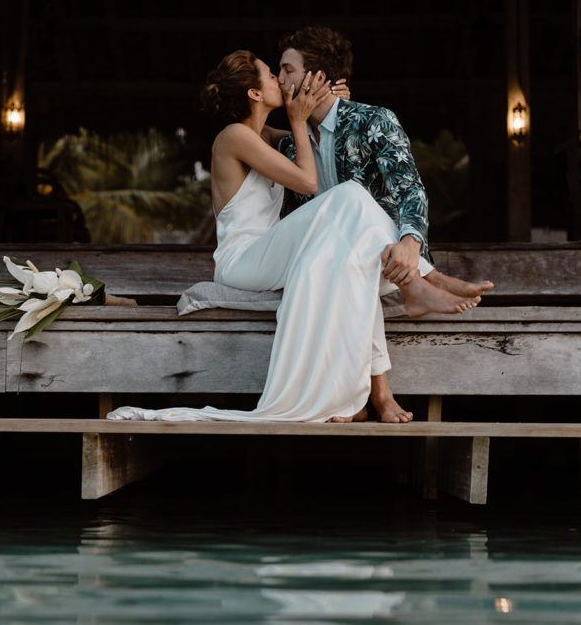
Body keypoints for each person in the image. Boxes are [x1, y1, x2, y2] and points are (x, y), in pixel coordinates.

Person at [107, 51, 480, 424]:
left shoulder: (264, 136)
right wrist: (300, 121)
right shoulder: (234, 136)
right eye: (272, 75)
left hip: (271, 254)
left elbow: (321, 140)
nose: (279, 82)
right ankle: (426, 277)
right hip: (244, 260)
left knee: (352, 257)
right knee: (349, 195)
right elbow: (308, 180)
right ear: (255, 94)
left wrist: (330, 108)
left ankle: (371, 377)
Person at [272, 26, 494, 422]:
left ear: (317, 78)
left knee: (356, 259)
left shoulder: (372, 120)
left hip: (391, 258)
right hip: (328, 262)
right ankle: (424, 292)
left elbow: (410, 189)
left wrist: (411, 241)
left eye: (287, 69)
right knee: (346, 257)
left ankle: (363, 397)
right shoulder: (291, 145)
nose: (279, 79)